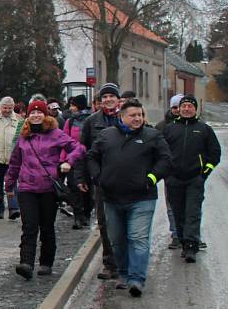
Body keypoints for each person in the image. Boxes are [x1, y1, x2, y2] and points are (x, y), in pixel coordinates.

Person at [86, 98, 171, 296]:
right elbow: (91, 156)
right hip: (112, 198)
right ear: (121, 117)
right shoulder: (107, 136)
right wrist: (98, 177)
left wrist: (151, 178)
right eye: (133, 115)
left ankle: (136, 279)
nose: (137, 118)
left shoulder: (152, 136)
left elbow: (166, 160)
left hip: (142, 198)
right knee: (117, 239)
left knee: (138, 238)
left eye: (140, 115)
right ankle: (123, 273)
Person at [5, 100, 85, 279]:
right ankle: (26, 262)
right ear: (28, 115)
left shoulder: (55, 133)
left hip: (48, 188)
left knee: (47, 226)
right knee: (29, 226)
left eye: (39, 112)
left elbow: (78, 148)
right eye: (32, 112)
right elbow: (15, 162)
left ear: (45, 114)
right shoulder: (23, 136)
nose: (35, 115)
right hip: (26, 187)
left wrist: (67, 162)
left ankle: (46, 262)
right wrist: (9, 184)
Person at [161, 95, 221, 262]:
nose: (187, 109)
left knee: (192, 213)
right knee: (178, 213)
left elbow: (214, 154)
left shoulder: (204, 129)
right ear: (178, 109)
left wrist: (204, 173)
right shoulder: (170, 129)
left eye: (190, 106)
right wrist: (166, 172)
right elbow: (160, 153)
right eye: (184, 106)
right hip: (174, 179)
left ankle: (191, 246)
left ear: (196, 109)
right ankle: (182, 239)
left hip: (195, 179)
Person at [76, 82, 122, 280]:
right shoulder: (91, 122)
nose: (108, 100)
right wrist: (81, 177)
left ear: (118, 99)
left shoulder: (128, 118)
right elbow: (82, 152)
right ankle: (110, 263)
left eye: (112, 96)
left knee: (126, 222)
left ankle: (126, 262)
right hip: (101, 180)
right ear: (99, 100)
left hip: (127, 180)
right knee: (104, 223)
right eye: (105, 97)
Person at [156, 93, 184, 247]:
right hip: (170, 173)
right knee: (172, 204)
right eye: (174, 107)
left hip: (191, 173)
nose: (177, 110)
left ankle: (191, 235)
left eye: (180, 107)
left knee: (191, 206)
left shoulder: (194, 124)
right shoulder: (162, 126)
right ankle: (176, 234)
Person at [62, 94, 92, 229]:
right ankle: (78, 215)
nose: (71, 108)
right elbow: (65, 140)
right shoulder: (70, 121)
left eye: (73, 105)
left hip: (88, 159)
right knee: (74, 187)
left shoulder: (92, 119)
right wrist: (63, 160)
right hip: (72, 159)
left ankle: (86, 213)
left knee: (88, 188)